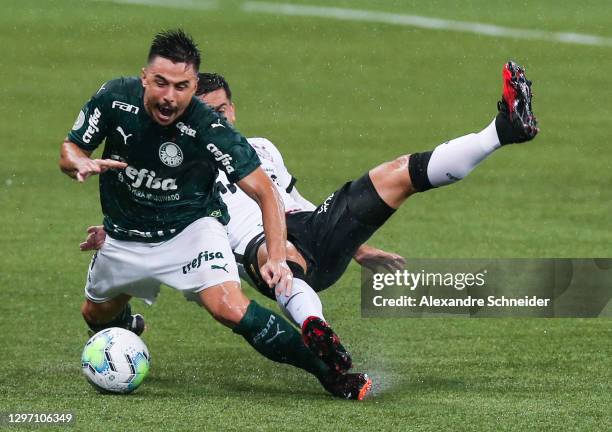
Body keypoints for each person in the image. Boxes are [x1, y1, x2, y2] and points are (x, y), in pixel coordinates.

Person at [82, 62, 538, 380]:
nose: (216, 120)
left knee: (400, 172)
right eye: (206, 113)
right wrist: (118, 234)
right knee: (275, 256)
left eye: (222, 111)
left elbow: (291, 198)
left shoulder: (259, 148)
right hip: (259, 249)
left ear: (232, 109)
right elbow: (158, 213)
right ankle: (315, 328)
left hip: (313, 227)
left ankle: (503, 130)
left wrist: (357, 248)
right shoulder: (182, 158)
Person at [62, 29, 371, 400]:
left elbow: (264, 191)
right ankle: (125, 324)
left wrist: (276, 256)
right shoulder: (114, 99)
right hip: (126, 235)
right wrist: (78, 162)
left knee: (229, 308)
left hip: (192, 232)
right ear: (144, 77)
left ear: (193, 85)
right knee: (94, 316)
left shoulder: (210, 127)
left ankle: (331, 373)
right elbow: (70, 148)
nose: (168, 97)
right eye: (160, 83)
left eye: (181, 86)